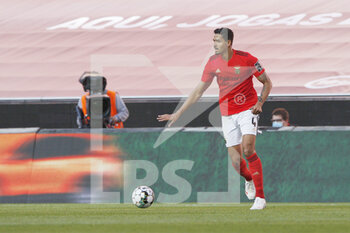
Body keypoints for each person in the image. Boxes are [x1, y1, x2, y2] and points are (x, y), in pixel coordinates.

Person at [157, 28, 272, 210]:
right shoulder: (212, 63)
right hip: (227, 114)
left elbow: (267, 82)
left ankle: (260, 198)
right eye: (213, 40)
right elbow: (198, 91)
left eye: (217, 40)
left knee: (248, 150)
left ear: (228, 43)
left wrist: (259, 103)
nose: (214, 44)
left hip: (248, 109)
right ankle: (249, 179)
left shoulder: (248, 59)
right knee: (235, 161)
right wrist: (178, 114)